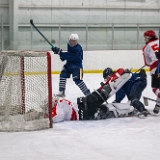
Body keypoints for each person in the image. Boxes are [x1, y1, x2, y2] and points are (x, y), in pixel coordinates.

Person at [42, 96, 136, 123]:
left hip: (83, 113)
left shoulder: (59, 107)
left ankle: (130, 109)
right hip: (83, 106)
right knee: (107, 108)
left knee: (107, 111)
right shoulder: (60, 102)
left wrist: (46, 117)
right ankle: (130, 108)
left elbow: (58, 117)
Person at [142, 30, 160, 114]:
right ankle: (158, 105)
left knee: (155, 88)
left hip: (156, 68)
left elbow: (147, 63)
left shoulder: (146, 47)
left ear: (148, 37)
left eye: (145, 37)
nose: (144, 39)